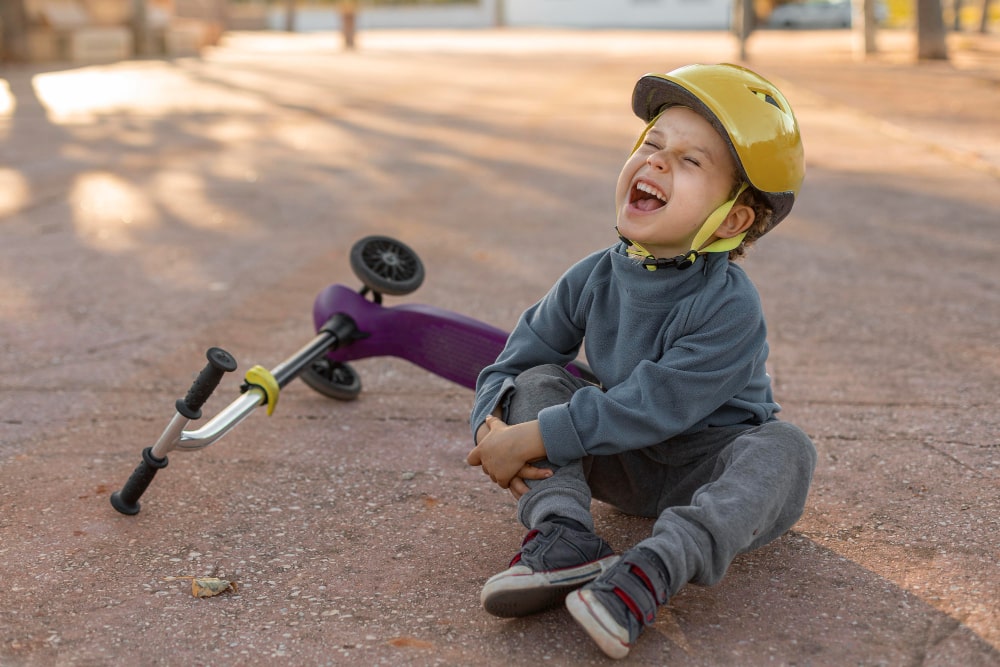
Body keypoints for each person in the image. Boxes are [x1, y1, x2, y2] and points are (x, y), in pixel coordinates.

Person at [466, 63, 817, 660]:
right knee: (538, 379)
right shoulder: (592, 276)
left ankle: (651, 572)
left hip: (708, 466)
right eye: (652, 145)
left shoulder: (731, 306)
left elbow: (654, 403)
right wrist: (491, 423)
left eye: (690, 161)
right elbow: (515, 358)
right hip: (618, 462)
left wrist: (535, 435)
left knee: (786, 449)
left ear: (731, 220)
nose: (656, 162)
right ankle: (563, 537)